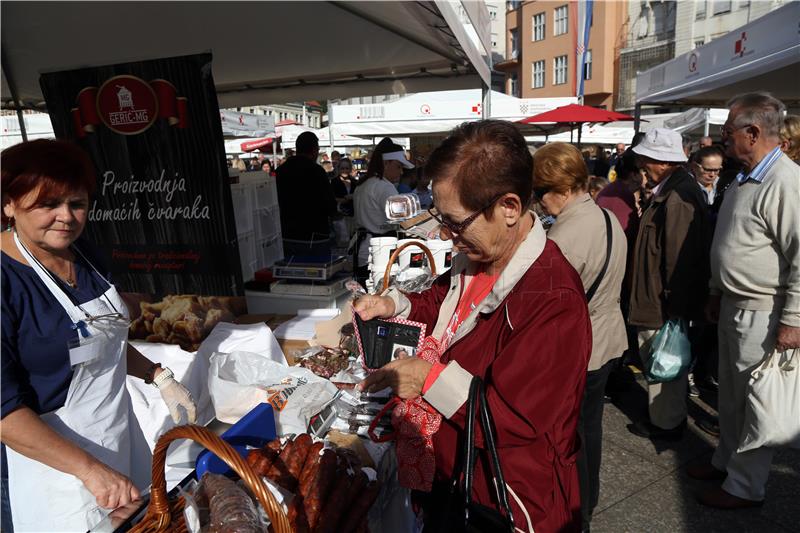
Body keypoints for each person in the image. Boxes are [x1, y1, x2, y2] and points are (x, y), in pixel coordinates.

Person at [355, 121, 591, 532]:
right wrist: (393, 302)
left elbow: (514, 420)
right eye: (440, 220)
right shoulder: (476, 258)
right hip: (457, 477)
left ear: (510, 208)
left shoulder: (553, 299)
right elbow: (441, 302)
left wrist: (428, 379)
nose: (447, 237)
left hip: (505, 500)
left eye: (456, 223)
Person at [0, 140, 197, 532]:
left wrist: (158, 375)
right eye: (47, 205)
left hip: (118, 436)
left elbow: (99, 342)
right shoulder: (6, 281)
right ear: (9, 204)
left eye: (77, 204)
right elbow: (4, 414)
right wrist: (89, 471)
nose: (66, 218)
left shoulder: (84, 254)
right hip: (57, 470)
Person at [688, 93, 800, 509]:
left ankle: (744, 486)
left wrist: (794, 319)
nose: (722, 137)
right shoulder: (745, 176)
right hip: (736, 305)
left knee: (755, 402)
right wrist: (717, 291)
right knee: (731, 396)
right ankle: (725, 462)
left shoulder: (785, 182)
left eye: (728, 131)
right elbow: (731, 241)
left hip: (764, 312)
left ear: (752, 134)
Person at [533, 142, 627, 533]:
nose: (539, 203)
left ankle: (579, 512)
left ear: (561, 188)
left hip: (580, 348)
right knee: (590, 429)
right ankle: (588, 502)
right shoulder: (605, 216)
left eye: (540, 193)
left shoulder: (565, 237)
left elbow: (547, 306)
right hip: (606, 337)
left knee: (572, 438)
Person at [626, 128, 711, 441]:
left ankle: (666, 423)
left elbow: (678, 260)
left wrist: (673, 307)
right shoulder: (675, 190)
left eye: (646, 159)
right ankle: (664, 419)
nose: (641, 164)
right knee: (662, 361)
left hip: (661, 300)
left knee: (663, 363)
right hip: (661, 297)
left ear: (661, 162)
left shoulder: (677, 197)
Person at [352, 138, 413, 285]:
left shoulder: (364, 184)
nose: (401, 171)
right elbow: (405, 220)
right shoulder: (384, 187)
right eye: (398, 166)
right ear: (386, 163)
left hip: (362, 250)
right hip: (379, 252)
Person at [276, 131, 338, 258]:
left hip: (287, 236)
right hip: (315, 238)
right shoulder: (317, 171)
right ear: (314, 150)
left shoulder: (281, 171)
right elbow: (330, 205)